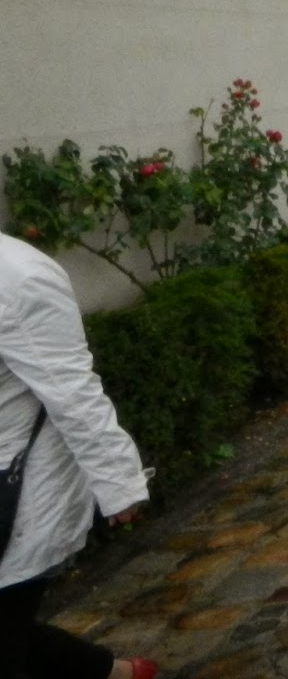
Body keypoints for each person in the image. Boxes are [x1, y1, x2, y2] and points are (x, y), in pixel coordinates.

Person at [0, 232, 156, 679]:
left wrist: (119, 481)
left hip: (22, 487)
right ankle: (117, 673)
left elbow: (71, 389)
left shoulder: (19, 277)